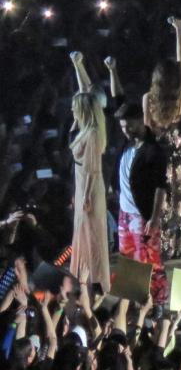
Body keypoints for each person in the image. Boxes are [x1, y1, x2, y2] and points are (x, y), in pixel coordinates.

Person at [110, 99, 170, 306]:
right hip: (125, 214)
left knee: (150, 261)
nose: (126, 131)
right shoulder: (127, 145)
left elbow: (161, 187)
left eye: (129, 126)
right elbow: (118, 97)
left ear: (140, 121)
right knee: (128, 260)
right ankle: (134, 301)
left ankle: (159, 302)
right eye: (122, 127)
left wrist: (154, 217)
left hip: (142, 214)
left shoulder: (154, 150)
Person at [140, 17, 181, 259]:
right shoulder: (179, 95)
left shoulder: (148, 99)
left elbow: (147, 130)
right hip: (176, 148)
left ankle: (162, 244)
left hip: (158, 150)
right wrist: (179, 31)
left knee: (161, 195)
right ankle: (178, 244)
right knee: (177, 196)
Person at [68, 51, 110, 293]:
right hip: (81, 183)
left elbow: (93, 170)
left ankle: (96, 281)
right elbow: (84, 91)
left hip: (89, 188)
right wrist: (78, 65)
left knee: (91, 234)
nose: (72, 111)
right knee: (82, 232)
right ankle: (83, 278)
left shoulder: (92, 133)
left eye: (75, 108)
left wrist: (84, 196)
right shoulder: (84, 126)